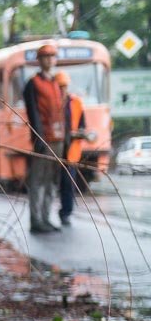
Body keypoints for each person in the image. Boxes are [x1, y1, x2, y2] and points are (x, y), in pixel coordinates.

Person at [22, 44, 65, 233]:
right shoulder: (33, 84)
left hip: (58, 139)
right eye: (45, 56)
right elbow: (33, 113)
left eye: (52, 56)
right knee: (38, 180)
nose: (49, 59)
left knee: (52, 180)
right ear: (39, 60)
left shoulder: (56, 83)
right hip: (44, 139)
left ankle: (46, 218)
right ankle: (36, 220)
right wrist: (38, 137)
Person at [54, 70, 92, 227]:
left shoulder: (76, 103)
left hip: (70, 153)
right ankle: (45, 216)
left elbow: (82, 125)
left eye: (64, 86)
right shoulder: (52, 103)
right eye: (59, 86)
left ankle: (66, 213)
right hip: (54, 151)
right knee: (50, 184)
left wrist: (79, 133)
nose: (62, 89)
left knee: (68, 183)